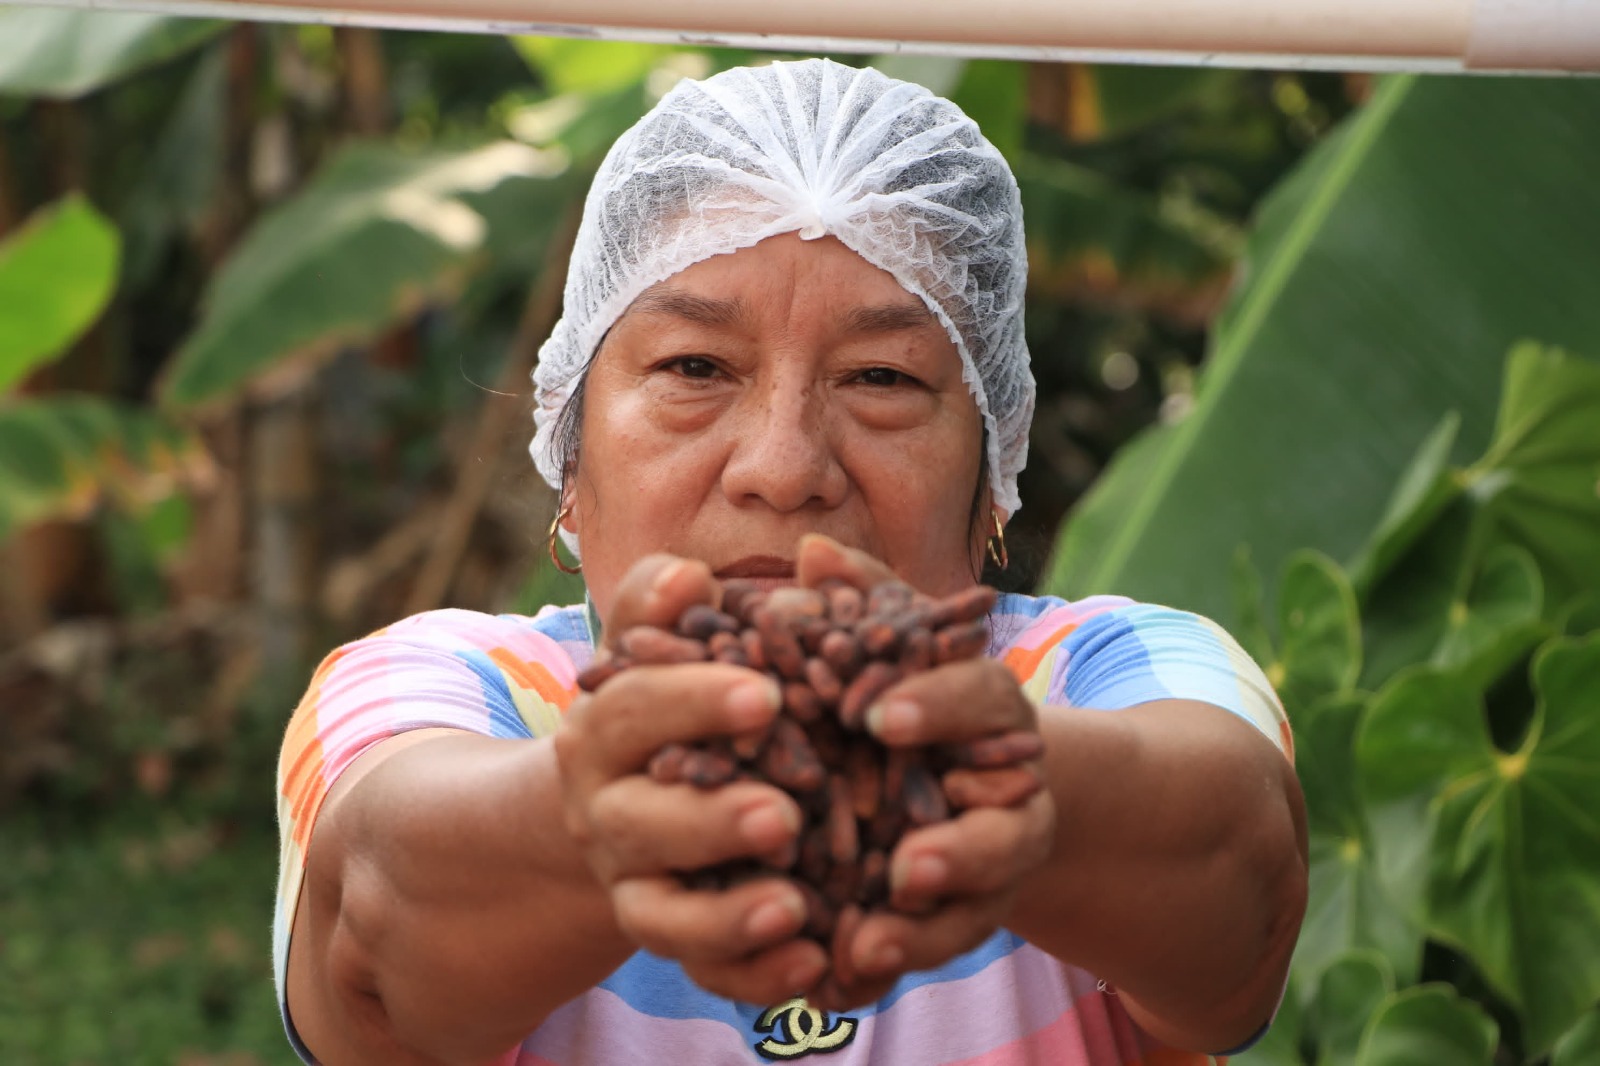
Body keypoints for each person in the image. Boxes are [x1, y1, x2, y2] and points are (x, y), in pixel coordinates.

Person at [275, 58, 1307, 1066]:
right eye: (694, 366)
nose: (782, 469)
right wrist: (596, 814)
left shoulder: (1113, 673)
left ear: (993, 474)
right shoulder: (446, 689)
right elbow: (376, 932)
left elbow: (1242, 885)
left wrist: (991, 779)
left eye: (881, 377)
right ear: (570, 460)